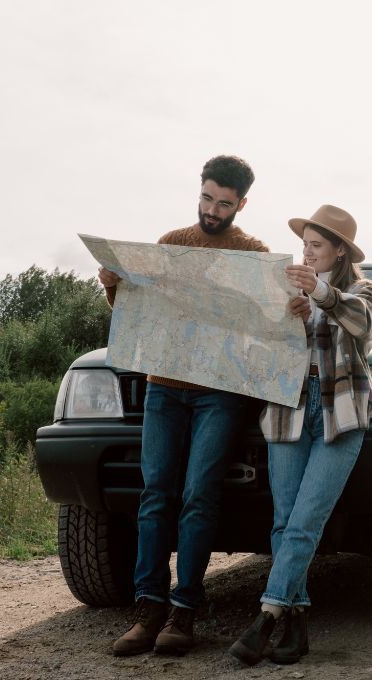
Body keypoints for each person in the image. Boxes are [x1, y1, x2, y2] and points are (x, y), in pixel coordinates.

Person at [104, 155, 269, 657]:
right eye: (206, 198)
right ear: (199, 191)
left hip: (219, 392)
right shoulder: (171, 244)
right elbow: (141, 317)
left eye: (224, 203)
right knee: (156, 494)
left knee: (199, 496)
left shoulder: (253, 253)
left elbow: (264, 327)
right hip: (164, 386)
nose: (212, 210)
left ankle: (184, 612)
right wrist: (114, 288)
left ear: (241, 204)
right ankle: (147, 607)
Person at [229, 205, 372, 666]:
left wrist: (321, 294)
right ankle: (297, 623)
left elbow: (365, 329)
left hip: (340, 413)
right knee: (283, 520)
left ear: (339, 250)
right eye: (304, 245)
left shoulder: (361, 289)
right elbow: (257, 345)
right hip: (287, 407)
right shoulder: (285, 287)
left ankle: (267, 616)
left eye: (316, 246)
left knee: (305, 521)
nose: (307, 253)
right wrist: (286, 319)